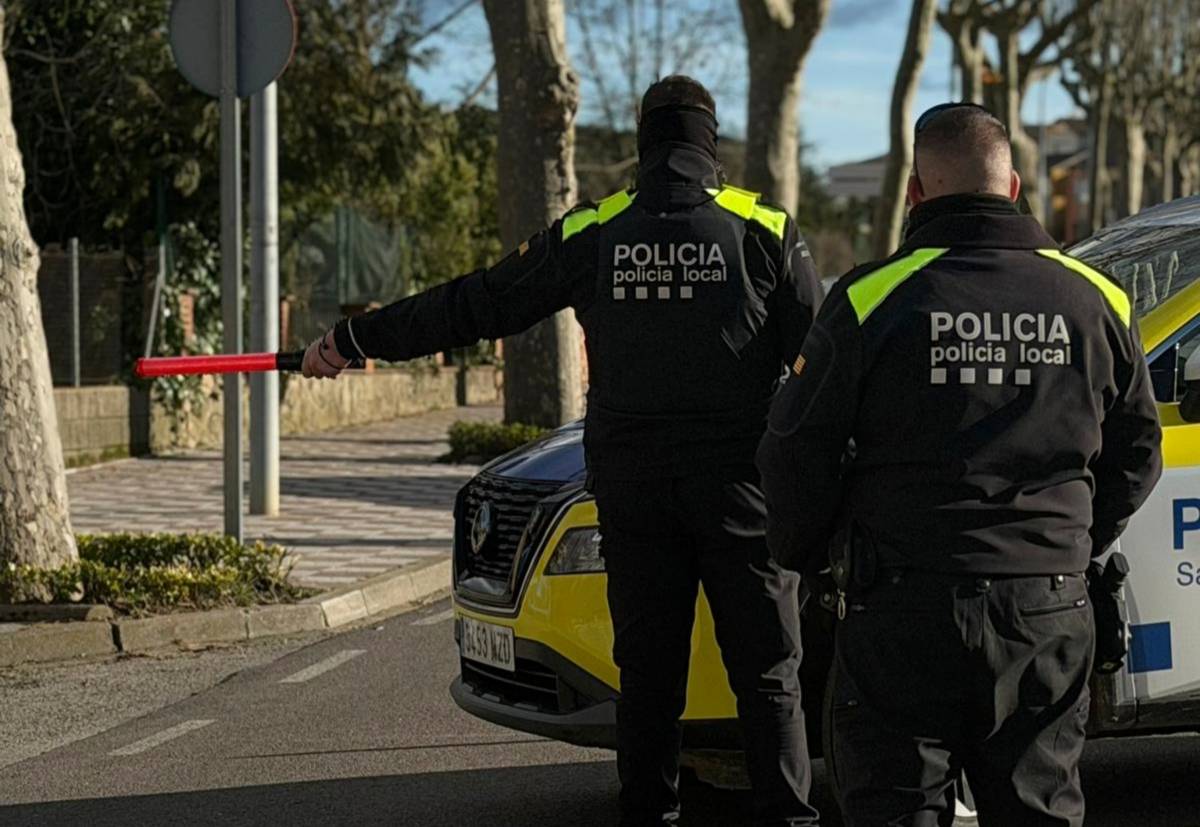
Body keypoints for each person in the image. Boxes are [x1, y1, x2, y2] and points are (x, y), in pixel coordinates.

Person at [303, 76, 823, 826]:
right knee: (770, 673)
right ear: (710, 140)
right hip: (742, 490)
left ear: (645, 142)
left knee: (647, 676)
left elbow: (478, 302)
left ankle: (649, 812)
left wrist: (357, 338)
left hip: (633, 489)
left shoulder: (596, 229)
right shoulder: (764, 227)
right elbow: (823, 367)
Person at [756, 103, 1162, 827]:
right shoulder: (1095, 297)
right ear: (1014, 188)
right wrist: (1069, 543)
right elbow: (1137, 451)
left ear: (915, 193)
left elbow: (792, 452)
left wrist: (819, 557)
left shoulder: (869, 299)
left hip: (902, 609)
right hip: (1046, 608)